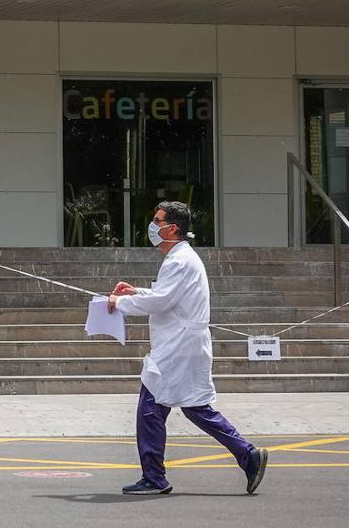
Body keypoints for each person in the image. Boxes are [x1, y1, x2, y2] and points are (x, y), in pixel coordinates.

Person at [108, 200, 268, 496]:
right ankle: (248, 456)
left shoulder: (179, 260)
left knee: (150, 407)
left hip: (178, 348)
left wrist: (120, 302)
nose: (152, 226)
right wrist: (136, 291)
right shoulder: (180, 258)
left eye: (157, 221)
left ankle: (154, 478)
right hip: (183, 345)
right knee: (195, 408)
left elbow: (162, 301)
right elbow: (166, 295)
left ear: (172, 228)